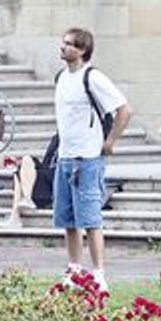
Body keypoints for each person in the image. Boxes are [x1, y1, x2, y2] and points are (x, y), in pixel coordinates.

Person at [52, 24, 131, 293]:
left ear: (83, 50)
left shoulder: (92, 77)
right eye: (63, 42)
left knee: (91, 219)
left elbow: (123, 109)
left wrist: (110, 141)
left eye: (70, 44)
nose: (63, 47)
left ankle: (98, 274)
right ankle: (74, 269)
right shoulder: (61, 77)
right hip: (65, 156)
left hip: (87, 158)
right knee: (68, 220)